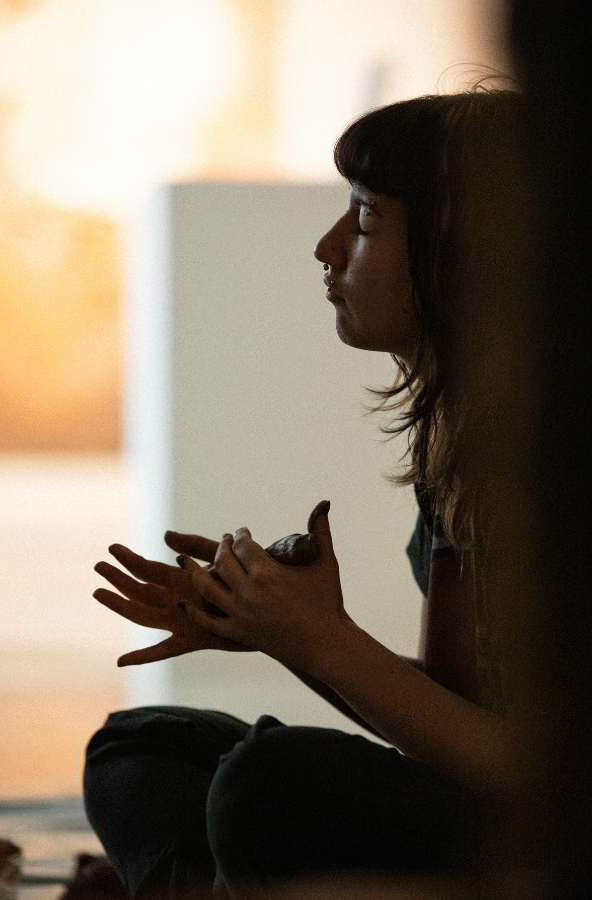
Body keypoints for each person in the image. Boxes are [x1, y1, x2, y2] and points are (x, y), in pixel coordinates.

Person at [84, 89, 523, 899]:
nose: (326, 247)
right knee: (143, 749)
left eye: (362, 220)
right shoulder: (459, 450)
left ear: (463, 253)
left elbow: (546, 780)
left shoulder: (553, 465)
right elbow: (452, 721)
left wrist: (323, 642)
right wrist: (278, 627)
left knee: (273, 783)